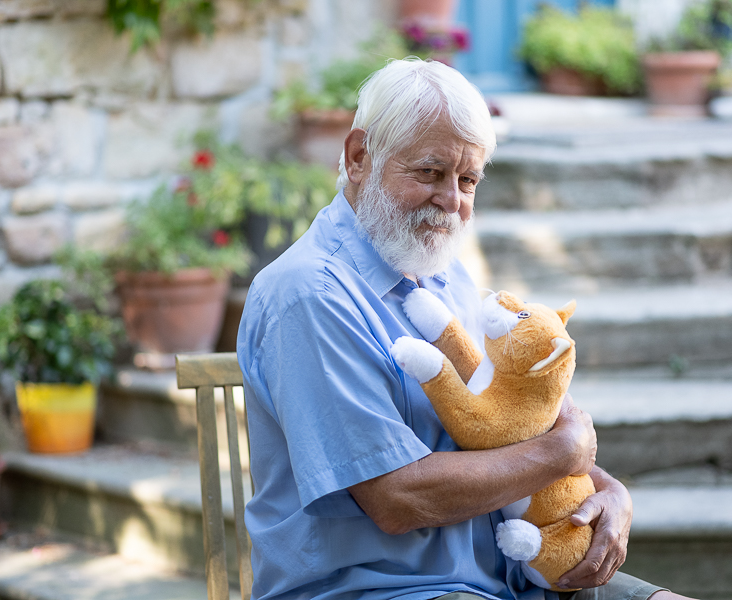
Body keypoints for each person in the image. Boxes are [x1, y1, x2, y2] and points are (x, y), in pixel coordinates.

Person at [237, 58, 694, 600]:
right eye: (429, 172)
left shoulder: (440, 270)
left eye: (468, 179)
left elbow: (507, 420)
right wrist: (564, 454)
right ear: (359, 156)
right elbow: (398, 499)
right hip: (381, 591)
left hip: (508, 579)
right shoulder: (307, 294)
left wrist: (610, 491)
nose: (452, 201)